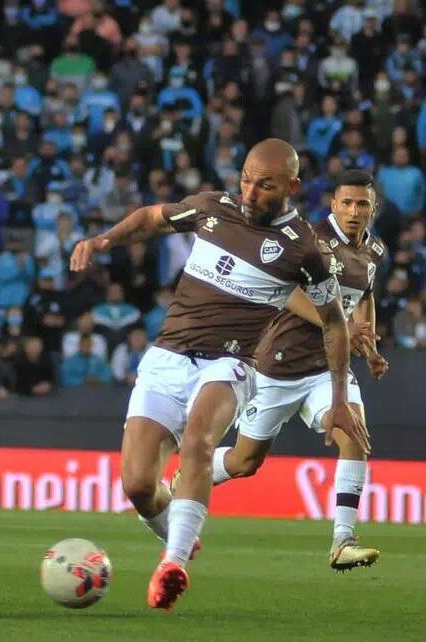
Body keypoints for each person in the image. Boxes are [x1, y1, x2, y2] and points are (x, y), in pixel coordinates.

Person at [70, 139, 367, 611]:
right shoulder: (213, 208)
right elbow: (153, 218)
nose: (250, 192)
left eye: (264, 185)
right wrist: (104, 239)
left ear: (291, 186)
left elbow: (334, 321)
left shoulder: (305, 250)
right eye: (246, 179)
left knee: (199, 443)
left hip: (229, 362)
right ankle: (179, 534)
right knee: (139, 485)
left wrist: (338, 397)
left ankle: (172, 565)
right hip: (168, 356)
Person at [202, 170, 387, 571]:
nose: (355, 211)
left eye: (363, 204)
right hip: (277, 368)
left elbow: (365, 295)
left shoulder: (374, 251)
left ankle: (342, 540)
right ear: (333, 204)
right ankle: (188, 476)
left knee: (355, 433)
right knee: (244, 463)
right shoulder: (309, 242)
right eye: (348, 203)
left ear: (374, 209)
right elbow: (287, 294)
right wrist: (339, 324)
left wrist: (367, 343)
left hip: (327, 370)